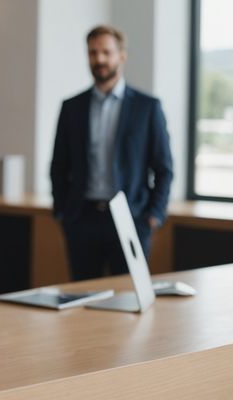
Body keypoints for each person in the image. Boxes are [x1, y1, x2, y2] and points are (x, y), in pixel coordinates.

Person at [50, 25, 173, 280]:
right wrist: (62, 211)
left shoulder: (147, 108)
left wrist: (154, 215)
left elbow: (164, 168)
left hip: (132, 219)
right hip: (82, 218)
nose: (100, 59)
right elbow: (59, 165)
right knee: (82, 299)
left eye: (106, 52)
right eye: (93, 53)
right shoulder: (72, 107)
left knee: (129, 298)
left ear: (121, 56)